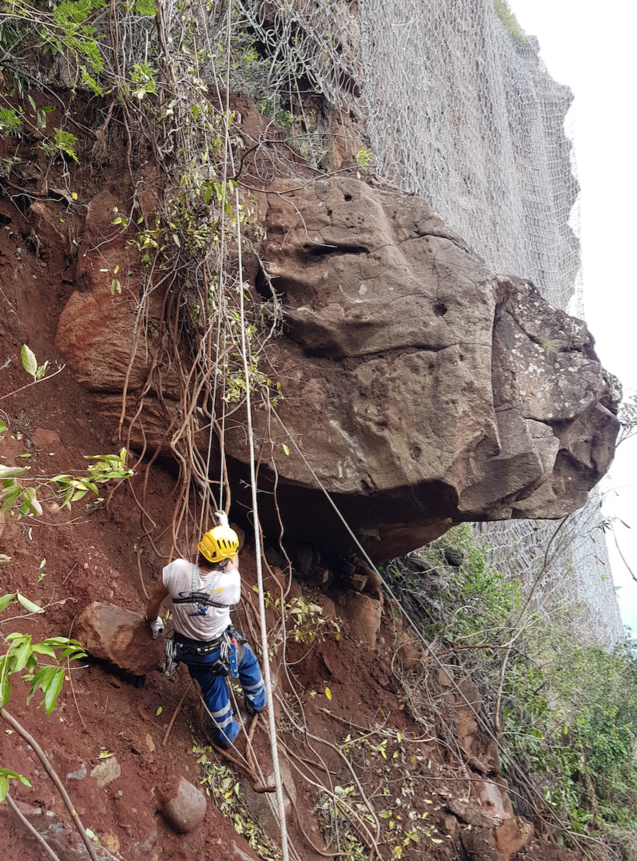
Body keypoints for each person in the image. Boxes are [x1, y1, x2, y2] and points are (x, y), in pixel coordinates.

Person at [145, 512, 266, 748]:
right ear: (222, 562)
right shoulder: (229, 583)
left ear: (199, 551)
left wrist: (152, 621)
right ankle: (257, 702)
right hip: (218, 648)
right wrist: (225, 527)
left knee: (212, 686)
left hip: (188, 652)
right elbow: (233, 564)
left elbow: (154, 599)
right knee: (248, 661)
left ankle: (227, 734)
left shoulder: (176, 570)